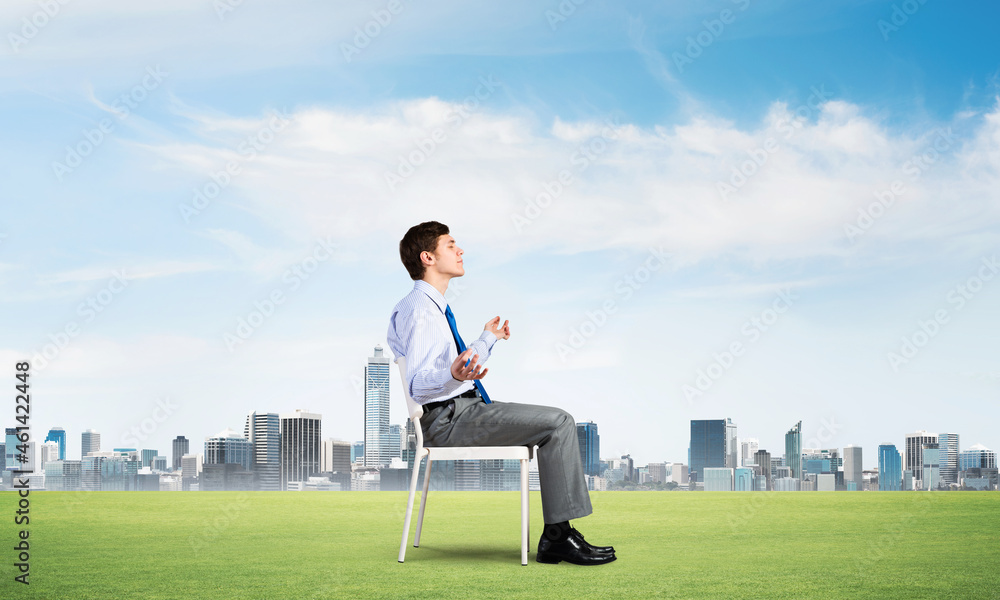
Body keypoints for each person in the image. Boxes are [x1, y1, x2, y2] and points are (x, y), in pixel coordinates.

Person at [386, 221, 616, 566]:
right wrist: (452, 374)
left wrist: (487, 338)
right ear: (427, 257)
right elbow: (419, 384)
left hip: (460, 411)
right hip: (448, 419)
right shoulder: (421, 310)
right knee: (559, 422)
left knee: (555, 422)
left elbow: (458, 366)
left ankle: (559, 533)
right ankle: (557, 536)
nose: (460, 250)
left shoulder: (427, 306)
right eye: (451, 245)